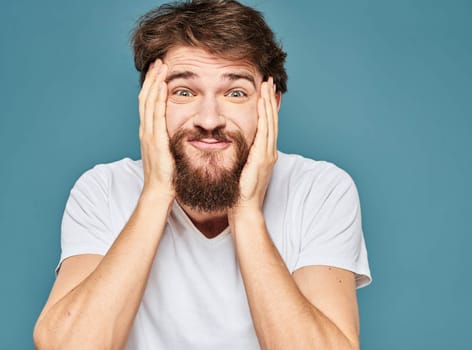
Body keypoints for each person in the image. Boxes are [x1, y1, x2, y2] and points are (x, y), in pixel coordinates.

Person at [33, 1, 371, 349]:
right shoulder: (103, 190)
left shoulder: (320, 189)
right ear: (150, 101)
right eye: (183, 92)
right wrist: (156, 194)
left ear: (271, 104)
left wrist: (245, 209)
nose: (209, 120)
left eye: (235, 92)